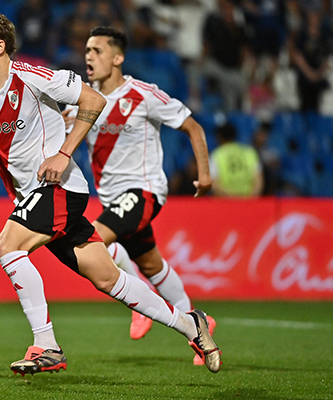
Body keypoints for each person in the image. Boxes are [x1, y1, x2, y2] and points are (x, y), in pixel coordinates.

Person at [0, 10, 221, 376]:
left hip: (58, 189)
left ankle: (46, 345)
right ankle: (190, 324)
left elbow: (93, 101)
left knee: (7, 246)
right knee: (108, 279)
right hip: (31, 196)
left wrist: (64, 152)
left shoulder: (33, 78)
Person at [62, 26, 214, 365]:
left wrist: (204, 173)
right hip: (112, 199)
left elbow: (193, 126)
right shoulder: (84, 102)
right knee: (151, 263)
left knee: (92, 242)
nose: (89, 56)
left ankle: (138, 304)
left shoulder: (143, 94)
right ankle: (198, 324)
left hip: (143, 192)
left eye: (97, 50)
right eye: (87, 50)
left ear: (118, 57)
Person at [210, 122, 263, 197]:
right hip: (249, 202)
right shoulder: (250, 152)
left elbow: (214, 184)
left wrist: (233, 198)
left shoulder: (216, 155)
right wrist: (250, 198)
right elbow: (258, 181)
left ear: (219, 138)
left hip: (226, 203)